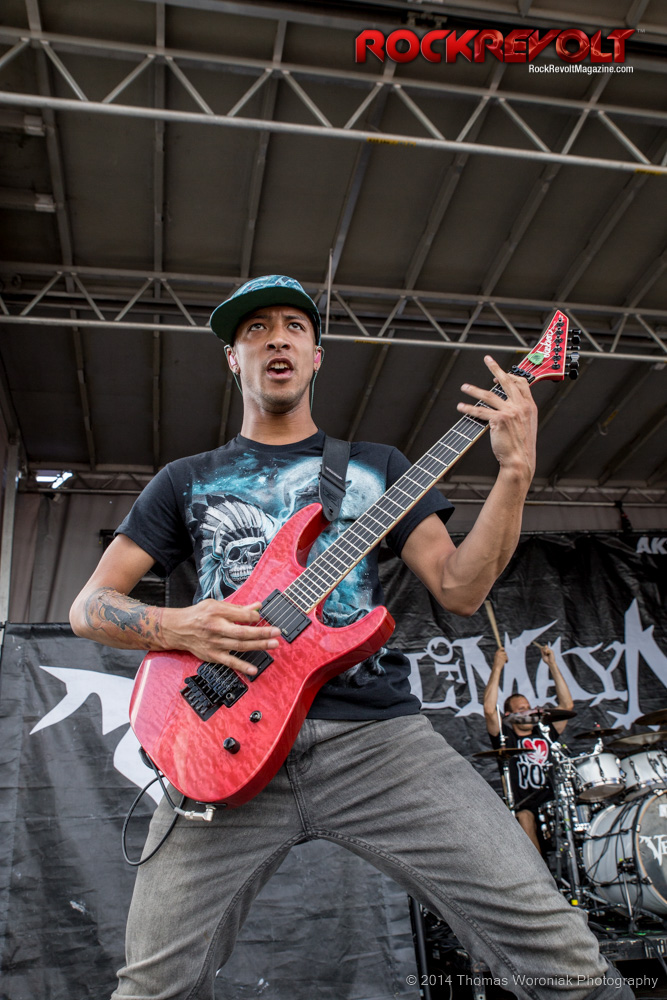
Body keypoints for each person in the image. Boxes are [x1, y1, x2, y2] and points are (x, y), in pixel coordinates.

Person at [70, 275, 632, 1000]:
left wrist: (515, 472)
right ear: (233, 359)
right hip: (219, 744)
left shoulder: (376, 468)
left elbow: (460, 589)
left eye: (293, 326)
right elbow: (91, 606)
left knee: (562, 960)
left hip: (378, 744)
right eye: (254, 329)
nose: (275, 338)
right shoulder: (186, 479)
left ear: (316, 355)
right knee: (152, 989)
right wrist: (180, 625)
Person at [483, 645, 574, 852]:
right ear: (509, 716)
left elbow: (567, 706)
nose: (529, 711)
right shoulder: (506, 738)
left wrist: (552, 664)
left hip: (553, 800)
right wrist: (497, 667)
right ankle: (540, 871)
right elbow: (489, 710)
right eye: (522, 709)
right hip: (525, 805)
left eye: (529, 707)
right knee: (524, 816)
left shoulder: (545, 732)